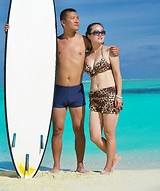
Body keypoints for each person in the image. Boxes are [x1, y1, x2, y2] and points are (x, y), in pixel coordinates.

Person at [4, 9, 120, 173]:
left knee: (78, 130)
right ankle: (56, 166)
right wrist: (13, 32)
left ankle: (80, 165)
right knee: (57, 129)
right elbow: (31, 46)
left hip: (76, 91)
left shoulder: (84, 40)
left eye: (78, 17)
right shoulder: (54, 42)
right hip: (58, 91)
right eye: (73, 18)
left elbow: (99, 47)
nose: (77, 21)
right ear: (63, 22)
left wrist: (115, 52)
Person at [84, 22, 123, 174]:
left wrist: (118, 95)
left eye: (102, 32)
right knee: (94, 136)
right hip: (94, 97)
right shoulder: (86, 56)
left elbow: (117, 74)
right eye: (96, 32)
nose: (100, 34)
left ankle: (108, 167)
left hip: (109, 95)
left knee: (109, 134)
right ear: (89, 36)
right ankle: (114, 157)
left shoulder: (110, 51)